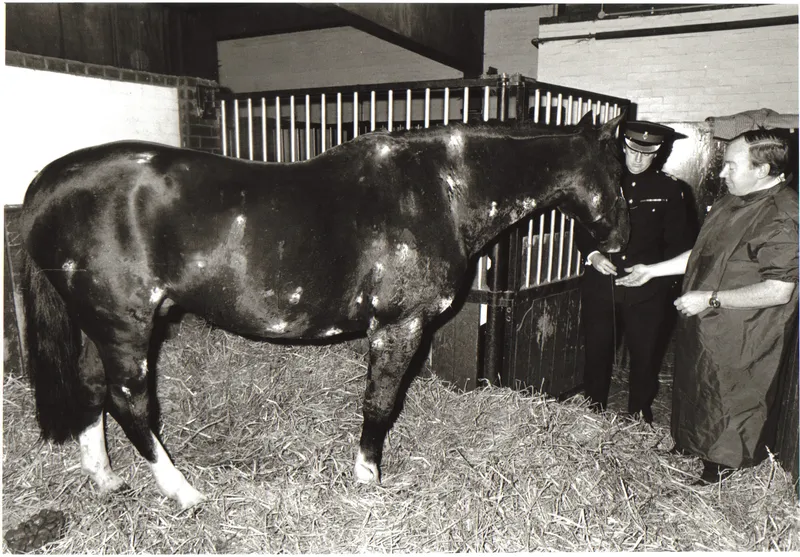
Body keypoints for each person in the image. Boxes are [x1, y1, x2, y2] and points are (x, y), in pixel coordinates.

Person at [616, 129, 798, 484]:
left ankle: (721, 465)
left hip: (744, 330)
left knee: (730, 393)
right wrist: (651, 271)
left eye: (731, 165)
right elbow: (701, 254)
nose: (721, 173)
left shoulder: (783, 215)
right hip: (707, 321)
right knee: (696, 382)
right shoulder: (736, 198)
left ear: (762, 170)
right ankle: (690, 443)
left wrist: (710, 298)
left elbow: (779, 290)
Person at [575, 120, 694, 423]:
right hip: (602, 285)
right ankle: (593, 409)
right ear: (623, 147)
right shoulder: (602, 181)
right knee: (597, 351)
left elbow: (679, 244)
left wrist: (655, 273)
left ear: (658, 152)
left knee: (645, 356)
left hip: (647, 289)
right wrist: (593, 254)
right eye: (632, 151)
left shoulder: (670, 190)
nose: (638, 159)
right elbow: (583, 227)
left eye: (646, 153)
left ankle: (639, 414)